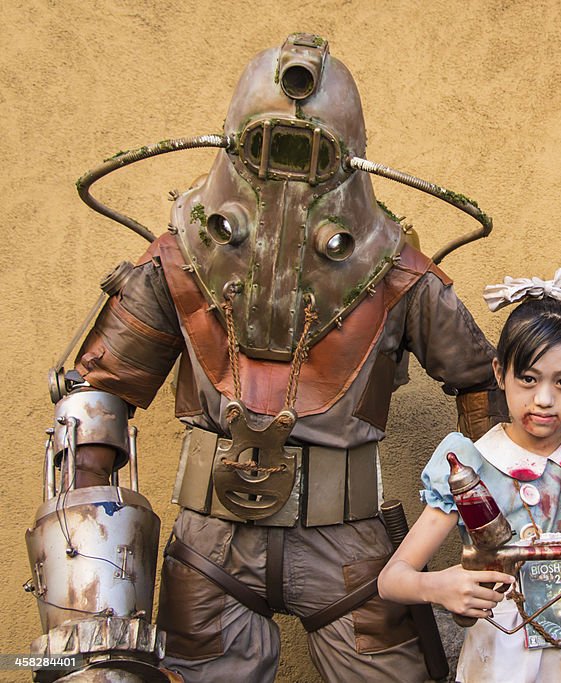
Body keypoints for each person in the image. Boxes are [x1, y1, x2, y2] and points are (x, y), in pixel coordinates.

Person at [42, 34, 504, 682]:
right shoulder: (177, 256)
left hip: (350, 547)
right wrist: (90, 615)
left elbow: (479, 380)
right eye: (268, 147)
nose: (287, 181)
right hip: (212, 545)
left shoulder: (397, 271)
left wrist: (496, 534)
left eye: (310, 154)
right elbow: (94, 403)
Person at [378, 270, 561, 683]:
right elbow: (393, 580)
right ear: (500, 373)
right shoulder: (472, 465)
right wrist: (441, 586)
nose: (543, 398)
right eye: (529, 378)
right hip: (501, 659)